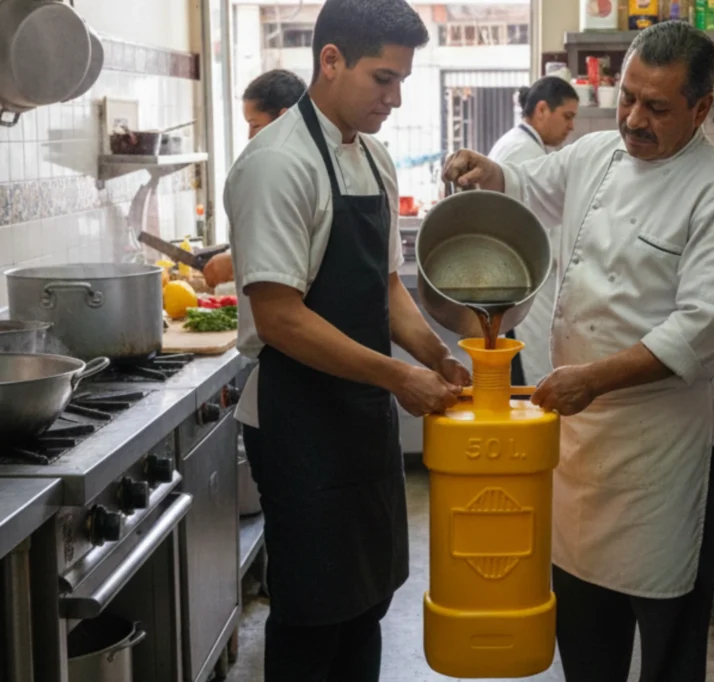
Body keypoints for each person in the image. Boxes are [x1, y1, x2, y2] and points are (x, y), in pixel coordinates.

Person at [443, 21, 714, 682]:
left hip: (658, 451)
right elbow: (529, 187)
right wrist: (488, 170)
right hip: (582, 444)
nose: (634, 118)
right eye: (627, 98)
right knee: (584, 624)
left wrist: (594, 378)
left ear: (701, 109)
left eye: (657, 107)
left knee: (668, 640)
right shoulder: (597, 154)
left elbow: (701, 330)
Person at [224, 2, 470, 680]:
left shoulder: (376, 158)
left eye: (402, 82)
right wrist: (396, 378)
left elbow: (386, 287)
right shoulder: (277, 164)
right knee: (313, 611)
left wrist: (435, 355)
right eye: (382, 79)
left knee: (366, 599)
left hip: (359, 414)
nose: (395, 98)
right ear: (330, 61)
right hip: (298, 417)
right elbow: (279, 316)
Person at [488, 76, 579, 386]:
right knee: (526, 385)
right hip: (522, 291)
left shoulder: (522, 145)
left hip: (523, 288)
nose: (571, 127)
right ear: (542, 110)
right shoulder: (523, 153)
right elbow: (540, 233)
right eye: (567, 116)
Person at [203, 69, 307, 288]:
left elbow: (299, 248)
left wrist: (234, 263)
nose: (251, 136)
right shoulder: (280, 165)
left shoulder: (290, 170)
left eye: (255, 125)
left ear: (284, 118)